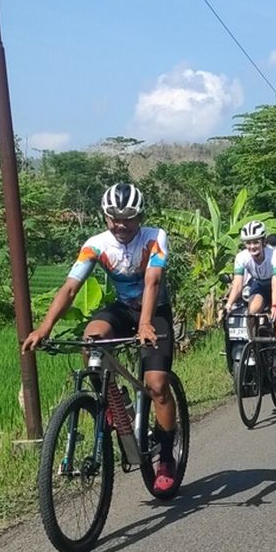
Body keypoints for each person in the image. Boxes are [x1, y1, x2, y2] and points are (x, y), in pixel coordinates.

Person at [22, 183, 181, 494]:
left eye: (129, 218)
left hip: (155, 311)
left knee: (157, 385)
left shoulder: (154, 237)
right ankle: (111, 401)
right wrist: (45, 328)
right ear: (105, 216)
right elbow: (70, 288)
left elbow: (152, 280)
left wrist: (146, 323)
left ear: (140, 217)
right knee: (91, 339)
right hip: (123, 309)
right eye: (114, 218)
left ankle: (166, 457)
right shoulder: (96, 244)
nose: (121, 225)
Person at [219, 221, 276, 398]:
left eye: (256, 242)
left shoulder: (275, 255)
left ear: (263, 241)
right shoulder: (242, 257)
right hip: (260, 286)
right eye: (248, 242)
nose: (252, 246)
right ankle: (254, 344)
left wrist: (275, 307)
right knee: (251, 311)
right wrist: (229, 304)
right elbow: (238, 284)